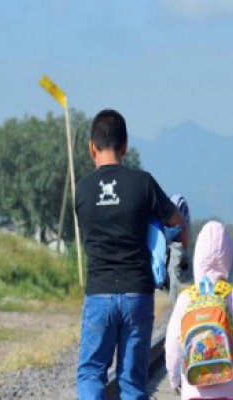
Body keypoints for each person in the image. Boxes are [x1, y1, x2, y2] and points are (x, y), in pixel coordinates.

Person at [75, 109, 188, 400]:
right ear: (125, 145)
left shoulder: (83, 190)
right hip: (137, 293)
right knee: (131, 382)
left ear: (91, 147)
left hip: (98, 293)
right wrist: (179, 258)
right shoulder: (143, 183)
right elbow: (177, 222)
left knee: (91, 373)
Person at [165, 221, 233, 400]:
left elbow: (173, 343)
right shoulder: (231, 295)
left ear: (198, 257)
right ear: (228, 257)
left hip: (194, 388)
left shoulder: (187, 297)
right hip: (226, 388)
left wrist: (175, 378)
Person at [166, 194, 193, 304]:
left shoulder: (168, 206)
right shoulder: (182, 206)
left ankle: (172, 306)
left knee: (172, 281)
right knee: (174, 279)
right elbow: (185, 228)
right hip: (178, 246)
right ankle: (173, 306)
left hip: (170, 246)